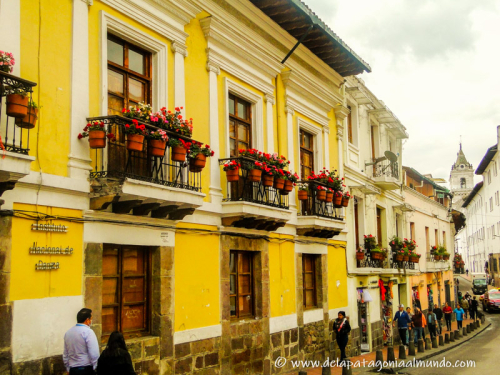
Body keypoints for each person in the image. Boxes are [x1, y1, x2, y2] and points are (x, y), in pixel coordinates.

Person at [63, 308, 99, 375]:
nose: (91, 321)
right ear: (87, 320)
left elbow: (65, 354)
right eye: (91, 318)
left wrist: (68, 368)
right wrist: (96, 367)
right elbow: (94, 353)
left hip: (73, 369)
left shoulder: (68, 333)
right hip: (86, 368)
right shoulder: (88, 332)